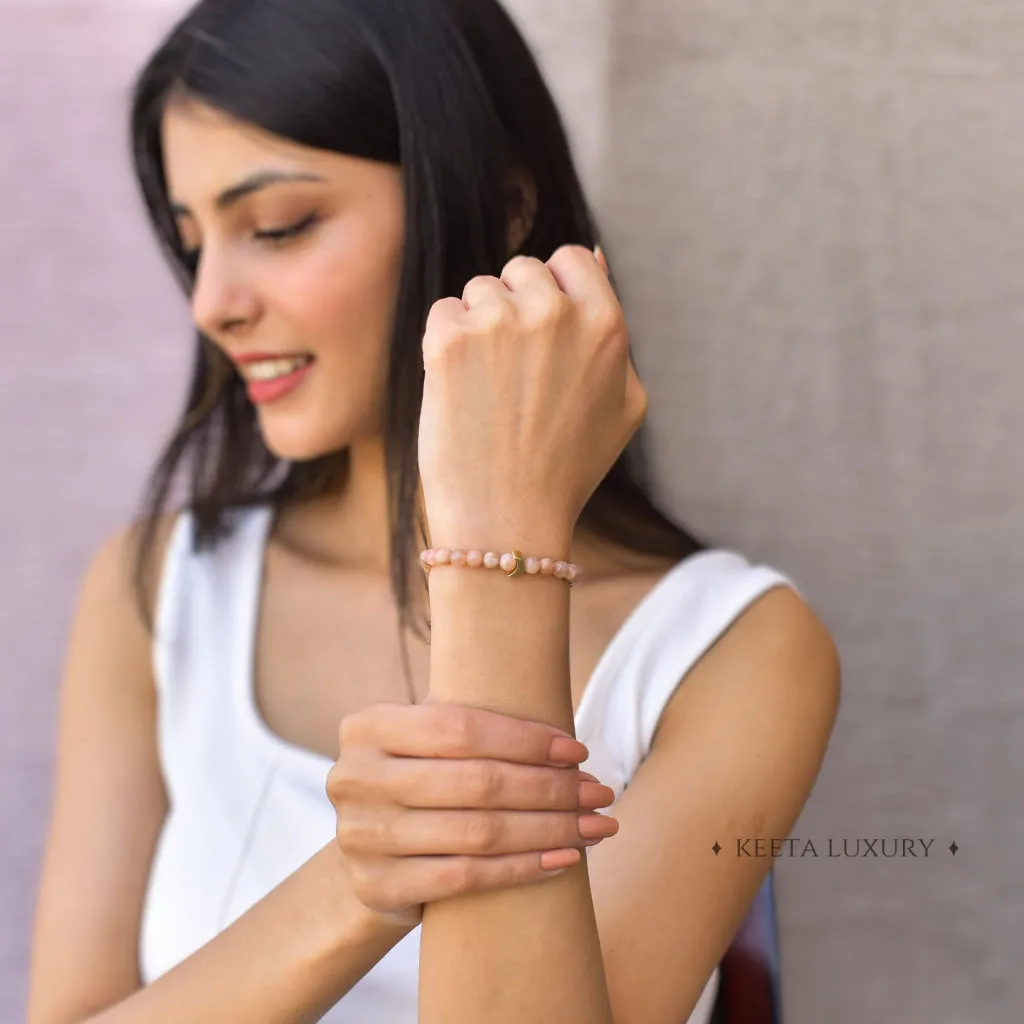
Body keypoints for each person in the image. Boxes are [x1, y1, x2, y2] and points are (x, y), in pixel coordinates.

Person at [25, 1, 842, 1022]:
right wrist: (355, 884)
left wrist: (497, 545)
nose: (211, 301)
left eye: (276, 226)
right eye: (195, 242)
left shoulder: (739, 648)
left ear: (498, 205)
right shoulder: (159, 585)